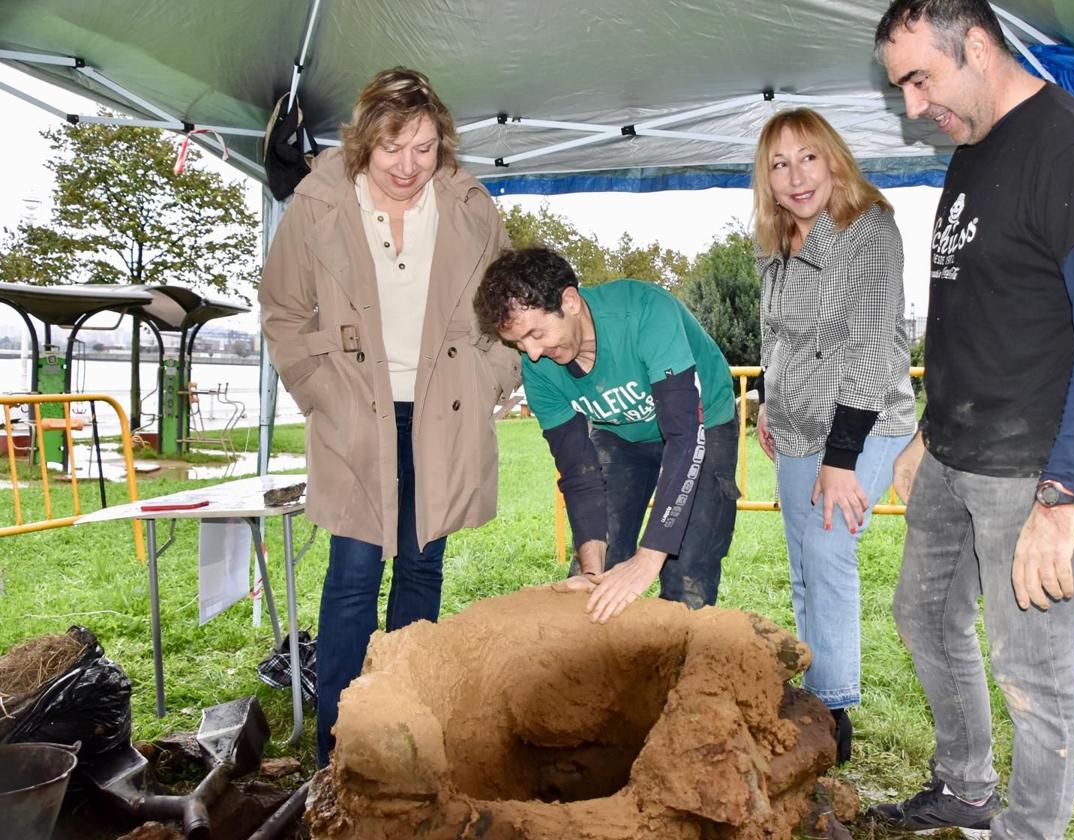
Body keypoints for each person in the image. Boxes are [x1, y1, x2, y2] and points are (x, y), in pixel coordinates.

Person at [871, 2, 1074, 837]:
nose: (913, 106)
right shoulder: (971, 150)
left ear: (981, 46)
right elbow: (979, 311)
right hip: (955, 451)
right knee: (922, 615)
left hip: (1032, 469)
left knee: (1032, 674)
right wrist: (928, 429)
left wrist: (1063, 498)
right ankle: (964, 786)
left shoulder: (1072, 147)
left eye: (921, 79)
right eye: (900, 88)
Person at [258, 66, 519, 768]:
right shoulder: (318, 203)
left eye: (425, 148)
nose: (408, 166)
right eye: (392, 148)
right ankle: (340, 750)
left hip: (443, 412)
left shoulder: (469, 205)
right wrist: (318, 390)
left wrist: (493, 376)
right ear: (364, 142)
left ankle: (402, 734)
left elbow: (506, 302)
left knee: (421, 569)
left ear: (443, 147)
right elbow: (282, 311)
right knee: (351, 575)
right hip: (353, 414)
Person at [752, 108, 915, 765]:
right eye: (779, 164)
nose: (795, 176)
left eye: (807, 157)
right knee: (803, 563)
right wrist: (767, 398)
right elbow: (774, 333)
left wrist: (841, 461)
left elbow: (873, 353)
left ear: (834, 158)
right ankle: (815, 689)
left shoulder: (870, 230)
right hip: (794, 424)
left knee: (827, 548)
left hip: (863, 421)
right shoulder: (772, 237)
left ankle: (835, 713)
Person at [473, 247, 739, 624]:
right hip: (621, 434)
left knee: (685, 575)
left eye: (536, 333)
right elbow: (578, 470)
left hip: (702, 423)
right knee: (591, 575)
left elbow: (684, 436)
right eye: (519, 343)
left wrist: (650, 557)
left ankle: (680, 670)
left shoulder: (646, 312)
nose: (531, 354)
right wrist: (593, 569)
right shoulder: (539, 371)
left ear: (570, 301)